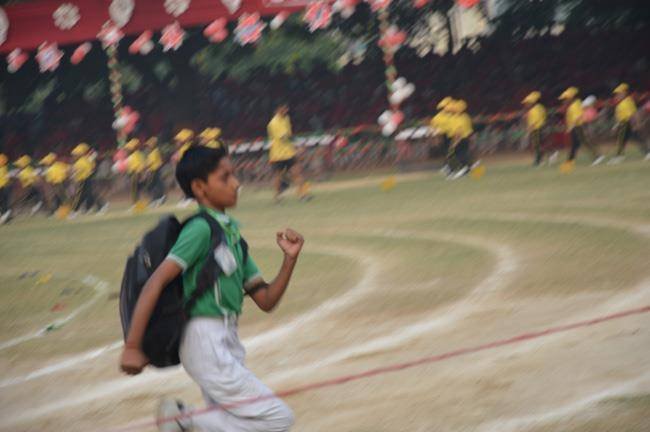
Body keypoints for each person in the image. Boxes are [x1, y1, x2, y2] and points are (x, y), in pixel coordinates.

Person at [120, 146, 300, 432]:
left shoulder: (232, 236)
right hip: (205, 340)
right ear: (199, 188)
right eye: (225, 177)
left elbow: (266, 299)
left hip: (227, 340)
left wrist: (289, 260)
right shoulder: (201, 229)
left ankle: (187, 422)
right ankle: (182, 419)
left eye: (233, 175)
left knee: (234, 422)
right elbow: (156, 281)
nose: (236, 183)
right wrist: (132, 346)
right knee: (278, 418)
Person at [267, 105, 312, 202]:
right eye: (283, 108)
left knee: (298, 172)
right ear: (277, 109)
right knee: (278, 177)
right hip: (277, 155)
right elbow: (284, 138)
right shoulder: (273, 123)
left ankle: (303, 195)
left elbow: (289, 135)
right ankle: (277, 196)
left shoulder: (286, 118)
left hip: (289, 153)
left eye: (286, 108)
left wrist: (296, 146)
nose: (286, 110)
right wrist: (299, 145)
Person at [559, 87, 605, 165]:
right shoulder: (574, 104)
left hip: (577, 127)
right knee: (577, 144)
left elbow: (577, 117)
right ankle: (570, 161)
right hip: (575, 127)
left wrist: (571, 126)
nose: (564, 101)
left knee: (583, 142)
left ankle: (597, 156)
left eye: (565, 99)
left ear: (570, 98)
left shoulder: (574, 106)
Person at [609, 83, 649, 163]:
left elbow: (632, 115)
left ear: (624, 93)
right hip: (625, 123)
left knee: (622, 140)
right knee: (634, 139)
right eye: (617, 94)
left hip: (626, 124)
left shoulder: (626, 102)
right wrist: (616, 125)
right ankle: (647, 152)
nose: (617, 96)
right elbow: (621, 116)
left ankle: (619, 156)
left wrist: (635, 124)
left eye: (619, 94)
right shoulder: (624, 102)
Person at [71, 143, 107, 216]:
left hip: (83, 180)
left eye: (75, 155)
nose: (73, 157)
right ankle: (95, 207)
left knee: (84, 195)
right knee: (85, 195)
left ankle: (101, 206)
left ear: (80, 154)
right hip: (87, 178)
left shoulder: (80, 162)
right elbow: (93, 166)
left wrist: (73, 175)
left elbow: (75, 172)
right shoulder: (87, 159)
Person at [447, 99, 474, 179]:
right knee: (465, 155)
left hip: (460, 139)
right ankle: (475, 172)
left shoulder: (457, 119)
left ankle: (462, 170)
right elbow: (469, 129)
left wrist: (455, 143)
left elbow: (458, 132)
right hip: (466, 138)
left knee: (459, 155)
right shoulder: (466, 116)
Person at [522, 91, 547, 166]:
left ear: (532, 102)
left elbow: (534, 121)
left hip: (536, 129)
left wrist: (528, 129)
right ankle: (541, 159)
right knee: (539, 145)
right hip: (541, 127)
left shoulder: (534, 110)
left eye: (527, 103)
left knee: (537, 145)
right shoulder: (540, 107)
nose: (526, 105)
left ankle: (538, 161)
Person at [430, 96, 454, 174]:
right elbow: (433, 129)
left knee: (448, 152)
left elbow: (433, 129)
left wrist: (435, 139)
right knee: (449, 152)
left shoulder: (437, 117)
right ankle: (448, 166)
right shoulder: (449, 116)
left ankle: (448, 166)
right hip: (446, 135)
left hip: (446, 135)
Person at [145, 137, 166, 206]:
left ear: (153, 145)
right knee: (156, 184)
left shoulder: (154, 152)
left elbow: (150, 163)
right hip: (155, 170)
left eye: (149, 145)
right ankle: (158, 198)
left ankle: (157, 199)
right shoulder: (154, 152)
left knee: (152, 186)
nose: (147, 147)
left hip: (154, 170)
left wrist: (146, 168)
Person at [125, 138, 147, 206]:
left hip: (135, 174)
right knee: (136, 190)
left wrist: (140, 174)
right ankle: (138, 204)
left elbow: (139, 166)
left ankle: (136, 204)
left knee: (134, 190)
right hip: (135, 174)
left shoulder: (135, 155)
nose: (127, 150)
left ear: (133, 148)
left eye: (129, 148)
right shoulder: (136, 154)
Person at [0, 153, 12, 224]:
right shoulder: (4, 169)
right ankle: (5, 217)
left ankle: (5, 217)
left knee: (4, 203)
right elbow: (7, 178)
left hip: (3, 188)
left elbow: (6, 178)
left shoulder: (3, 169)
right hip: (3, 188)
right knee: (4, 203)